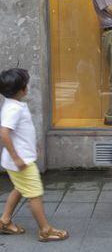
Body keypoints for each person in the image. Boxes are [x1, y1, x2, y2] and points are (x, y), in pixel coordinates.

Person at [0, 68, 68, 242]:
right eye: (26, 84)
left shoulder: (13, 105)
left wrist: (32, 146)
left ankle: (4, 221)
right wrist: (17, 158)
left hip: (19, 160)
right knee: (34, 194)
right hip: (20, 163)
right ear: (22, 89)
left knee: (20, 188)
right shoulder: (13, 109)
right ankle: (45, 230)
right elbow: (4, 133)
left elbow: (21, 133)